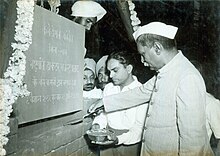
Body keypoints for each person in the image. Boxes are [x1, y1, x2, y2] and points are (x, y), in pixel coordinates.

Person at [89, 22, 213, 155]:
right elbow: (141, 93)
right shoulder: (166, 72)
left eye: (143, 54)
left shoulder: (187, 77)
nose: (142, 60)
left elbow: (193, 139)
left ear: (157, 48)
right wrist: (105, 102)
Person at [92, 51, 147, 156]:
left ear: (129, 69)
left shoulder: (141, 91)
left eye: (115, 70)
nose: (111, 75)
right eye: (109, 71)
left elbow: (139, 128)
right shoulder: (109, 88)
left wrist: (118, 139)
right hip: (107, 142)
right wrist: (97, 124)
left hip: (130, 143)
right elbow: (104, 113)